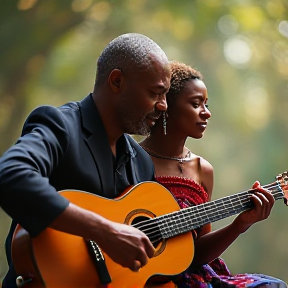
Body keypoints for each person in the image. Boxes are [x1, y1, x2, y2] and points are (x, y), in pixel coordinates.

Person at [0, 33, 171, 288]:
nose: (164, 106)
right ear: (116, 81)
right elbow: (11, 174)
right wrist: (105, 231)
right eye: (156, 93)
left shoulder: (142, 163)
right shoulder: (60, 125)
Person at [140, 61, 287, 288]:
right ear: (166, 106)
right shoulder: (133, 159)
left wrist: (240, 224)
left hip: (193, 276)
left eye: (206, 104)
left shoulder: (202, 170)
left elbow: (197, 253)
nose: (206, 113)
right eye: (196, 104)